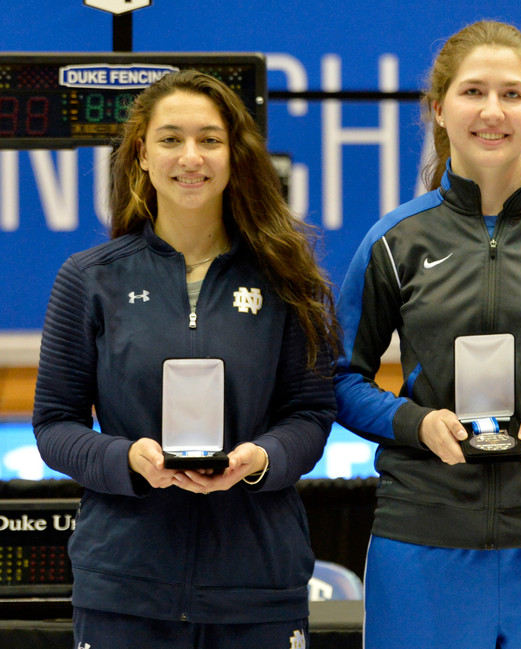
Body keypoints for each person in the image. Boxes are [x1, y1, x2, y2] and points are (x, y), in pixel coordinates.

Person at [333, 20, 521, 649]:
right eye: (473, 92)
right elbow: (339, 377)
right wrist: (415, 424)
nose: (492, 112)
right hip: (424, 533)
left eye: (512, 94)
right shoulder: (396, 240)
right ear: (439, 109)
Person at [33, 70, 340, 648]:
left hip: (258, 588)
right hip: (125, 589)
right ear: (142, 155)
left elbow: (311, 413)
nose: (190, 157)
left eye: (210, 139)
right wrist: (128, 460)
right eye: (171, 139)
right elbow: (54, 425)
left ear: (235, 155)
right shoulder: (89, 278)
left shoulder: (286, 277)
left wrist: (261, 458)